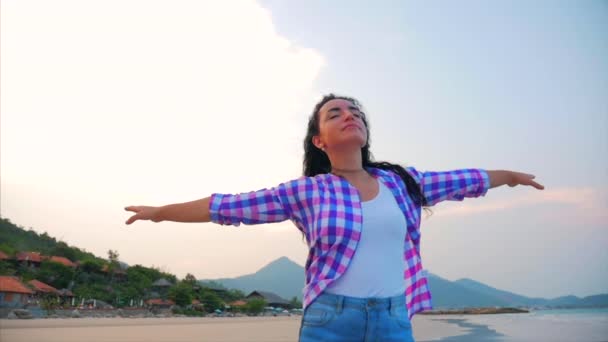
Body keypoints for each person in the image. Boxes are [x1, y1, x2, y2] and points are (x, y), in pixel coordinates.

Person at [125, 94, 544, 341]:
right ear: (319, 139)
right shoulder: (307, 191)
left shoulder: (403, 182)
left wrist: (508, 177)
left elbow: (463, 180)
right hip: (330, 319)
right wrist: (160, 213)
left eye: (356, 112)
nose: (350, 116)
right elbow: (228, 207)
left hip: (394, 317)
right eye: (336, 113)